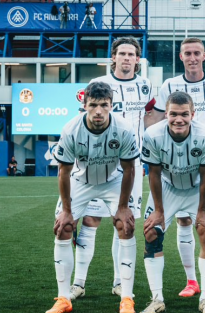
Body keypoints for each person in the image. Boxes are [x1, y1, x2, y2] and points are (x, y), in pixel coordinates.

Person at [146, 37, 205, 299]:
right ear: (181, 56)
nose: (193, 57)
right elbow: (159, 115)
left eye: (197, 53)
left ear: (204, 56)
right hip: (175, 163)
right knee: (184, 221)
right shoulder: (169, 85)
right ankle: (191, 281)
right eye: (188, 53)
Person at [68, 37, 153, 301]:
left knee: (124, 222)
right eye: (122, 54)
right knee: (90, 220)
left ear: (138, 59)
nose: (127, 58)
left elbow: (152, 117)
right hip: (99, 162)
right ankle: (78, 283)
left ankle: (119, 282)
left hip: (131, 165)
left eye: (132, 54)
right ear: (113, 57)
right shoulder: (99, 86)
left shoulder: (147, 87)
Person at [47, 81, 139, 313]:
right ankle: (63, 298)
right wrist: (67, 211)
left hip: (112, 181)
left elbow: (129, 169)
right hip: (81, 182)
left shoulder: (124, 128)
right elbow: (64, 172)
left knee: (125, 226)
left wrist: (123, 206)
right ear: (84, 104)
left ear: (112, 105)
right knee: (63, 228)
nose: (99, 111)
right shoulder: (71, 130)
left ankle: (126, 299)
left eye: (104, 105)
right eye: (93, 105)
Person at [140, 91, 205, 313]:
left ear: (192, 114)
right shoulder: (152, 134)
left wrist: (203, 211)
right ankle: (157, 299)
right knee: (151, 233)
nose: (179, 119)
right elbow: (153, 174)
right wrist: (158, 210)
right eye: (173, 114)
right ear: (166, 113)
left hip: (197, 189)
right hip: (167, 187)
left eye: (184, 114)